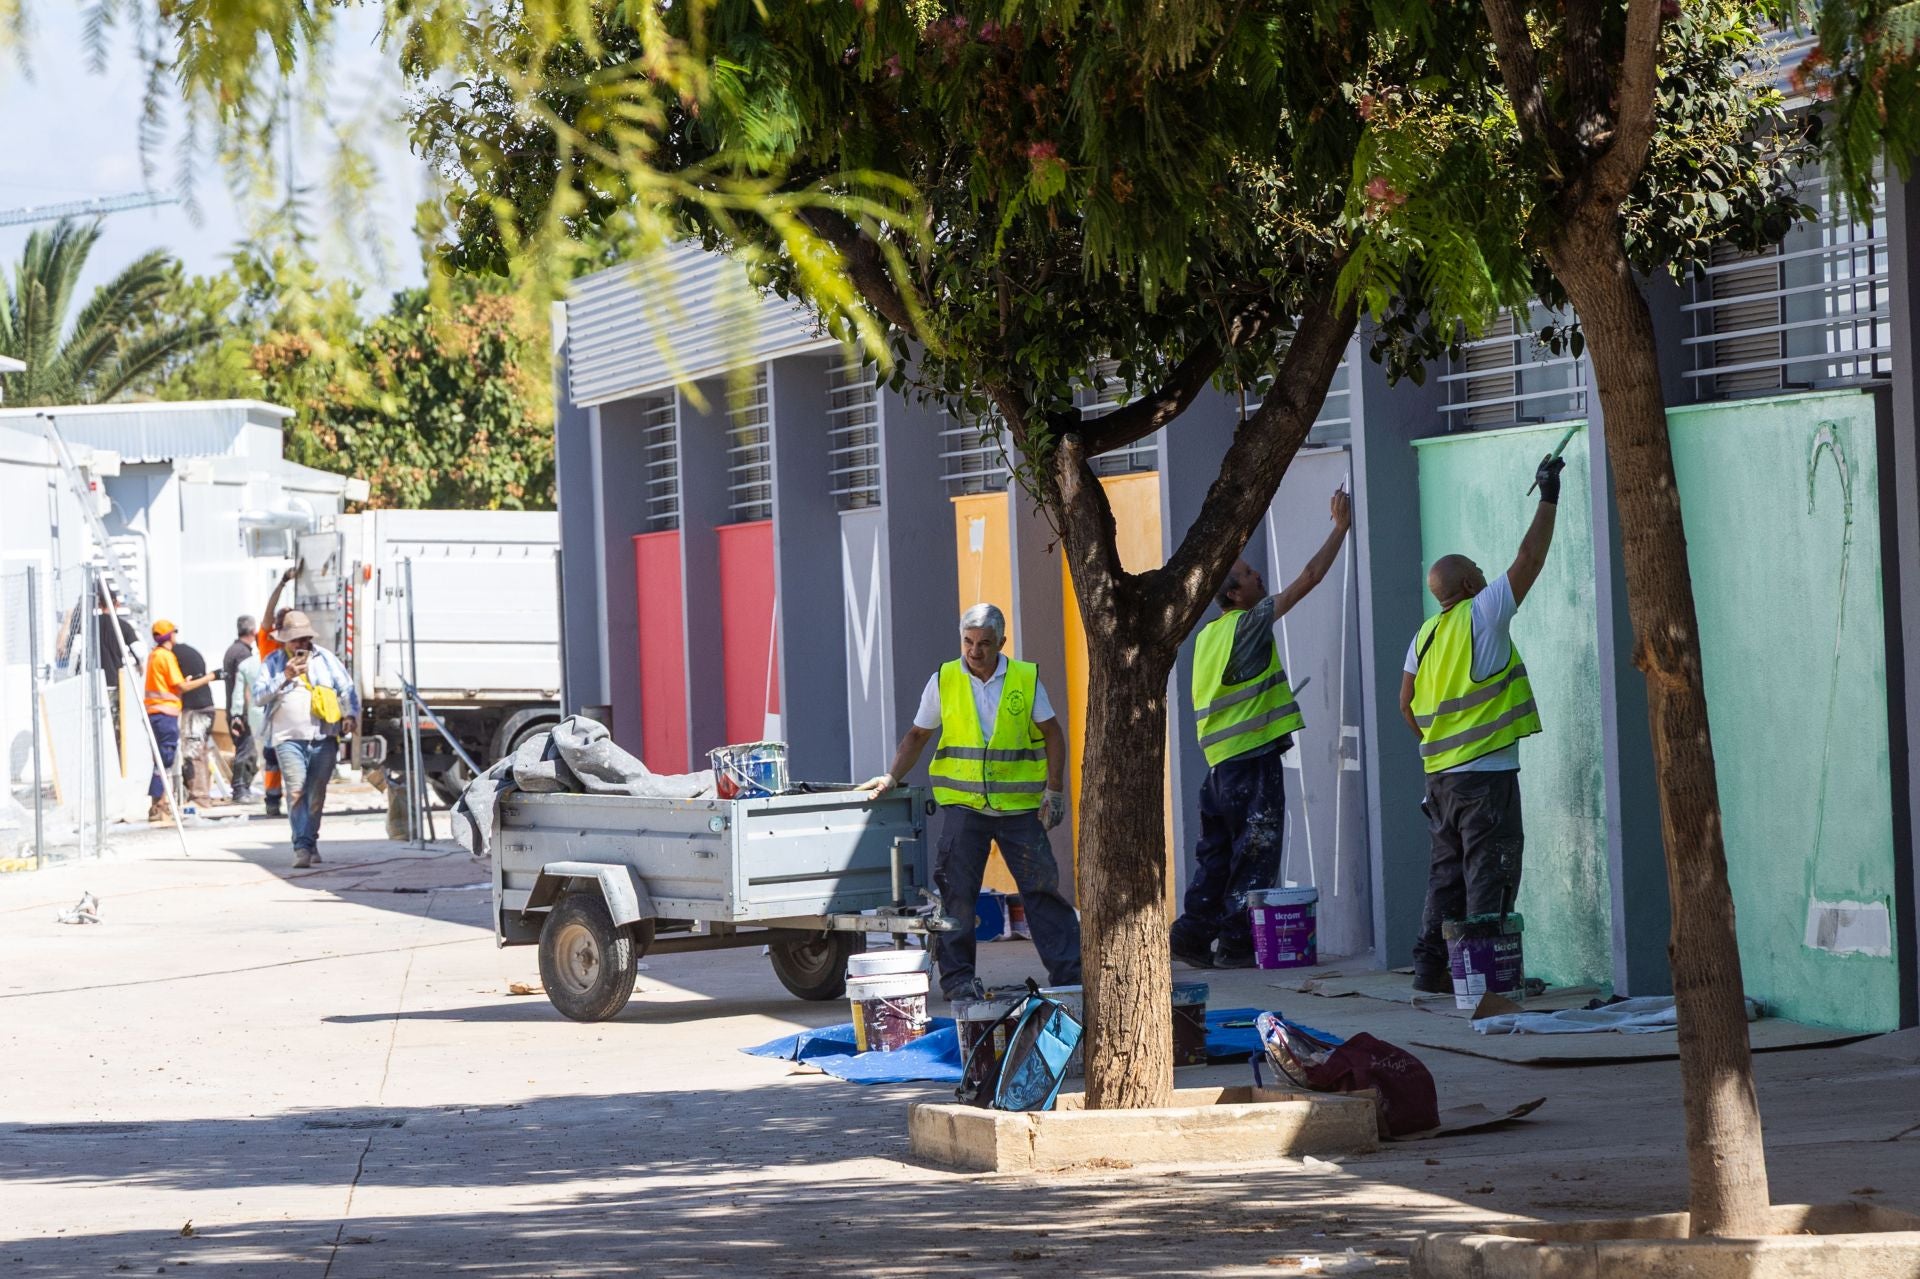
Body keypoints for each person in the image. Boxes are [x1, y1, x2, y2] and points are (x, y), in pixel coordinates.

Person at [1398, 454, 1564, 994]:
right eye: (1479, 568)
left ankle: (1432, 970)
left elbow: (1405, 704)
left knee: (1446, 875)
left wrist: (1439, 745)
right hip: (1486, 778)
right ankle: (1486, 979)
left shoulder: (1423, 637)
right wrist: (1549, 496)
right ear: (1470, 582)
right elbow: (1529, 559)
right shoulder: (1484, 612)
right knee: (1490, 871)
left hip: (1441, 780)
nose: (1488, 574)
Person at [858, 603, 1080, 1002]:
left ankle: (1071, 976)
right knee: (957, 895)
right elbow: (917, 735)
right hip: (965, 808)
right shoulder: (945, 679)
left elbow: (1053, 733)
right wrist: (892, 775)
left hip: (1018, 810)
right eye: (968, 642)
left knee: (1041, 891)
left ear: (1002, 643)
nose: (975, 651)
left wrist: (1055, 790)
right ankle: (958, 980)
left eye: (984, 643)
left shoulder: (1025, 679)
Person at [1170, 489, 1352, 969]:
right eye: (1250, 574)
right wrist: (1340, 529)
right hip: (1251, 762)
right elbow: (1308, 579)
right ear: (1233, 594)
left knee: (1216, 856)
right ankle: (1237, 943)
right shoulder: (1246, 625)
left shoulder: (1208, 636)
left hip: (1219, 769)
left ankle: (1191, 935)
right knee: (1256, 852)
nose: (1258, 576)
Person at [254, 609, 359, 869]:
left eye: (304, 639)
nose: (300, 644)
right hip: (287, 738)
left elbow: (346, 688)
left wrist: (350, 714)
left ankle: (310, 841)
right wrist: (285, 676)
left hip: (324, 735)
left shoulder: (325, 659)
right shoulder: (273, 662)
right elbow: (258, 696)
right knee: (297, 791)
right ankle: (301, 846)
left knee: (316, 793)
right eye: (295, 640)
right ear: (285, 641)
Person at [143, 620, 216, 823]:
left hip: (154, 712)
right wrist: (210, 677)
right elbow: (181, 686)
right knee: (165, 760)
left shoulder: (153, 655)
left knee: (160, 759)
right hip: (166, 713)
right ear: (170, 635)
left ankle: (159, 803)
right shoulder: (166, 656)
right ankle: (159, 805)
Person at [256, 564, 300, 817]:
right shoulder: (269, 642)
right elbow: (267, 613)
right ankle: (273, 801)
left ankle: (293, 801)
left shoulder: (298, 645)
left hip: (296, 707)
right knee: (273, 757)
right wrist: (282, 582)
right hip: (275, 705)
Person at [175, 635, 217, 808]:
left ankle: (199, 798)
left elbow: (180, 685)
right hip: (206, 707)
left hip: (195, 709)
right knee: (201, 752)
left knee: (194, 753)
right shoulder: (189, 652)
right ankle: (203, 795)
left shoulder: (172, 655)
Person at [222, 615, 260, 801]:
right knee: (247, 750)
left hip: (235, 709)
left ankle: (242, 788)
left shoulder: (232, 650)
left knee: (244, 749)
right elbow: (245, 687)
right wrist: (243, 713)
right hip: (243, 711)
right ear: (253, 631)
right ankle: (240, 789)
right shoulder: (243, 655)